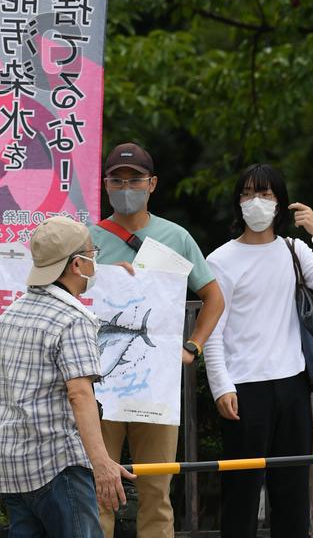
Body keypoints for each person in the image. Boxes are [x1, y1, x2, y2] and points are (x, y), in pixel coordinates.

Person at [0, 215, 134, 538]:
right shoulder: (73, 320)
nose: (94, 259)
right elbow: (79, 394)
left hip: (13, 466)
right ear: (76, 264)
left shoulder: (9, 316)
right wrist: (102, 462)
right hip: (61, 465)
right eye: (91, 253)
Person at [90, 142, 225, 538]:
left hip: (157, 385)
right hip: (100, 384)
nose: (126, 186)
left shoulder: (176, 237)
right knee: (98, 487)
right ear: (105, 184)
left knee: (156, 491)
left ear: (152, 184)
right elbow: (67, 296)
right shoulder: (86, 238)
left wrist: (193, 346)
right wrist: (100, 276)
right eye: (117, 179)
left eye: (134, 179)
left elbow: (213, 297)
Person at [203, 163, 313, 538]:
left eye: (265, 194)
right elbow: (213, 328)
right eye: (247, 194)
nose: (256, 202)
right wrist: (220, 386)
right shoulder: (220, 259)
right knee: (241, 493)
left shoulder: (294, 250)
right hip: (245, 389)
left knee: (293, 491)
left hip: (294, 384)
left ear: (280, 202)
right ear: (238, 202)